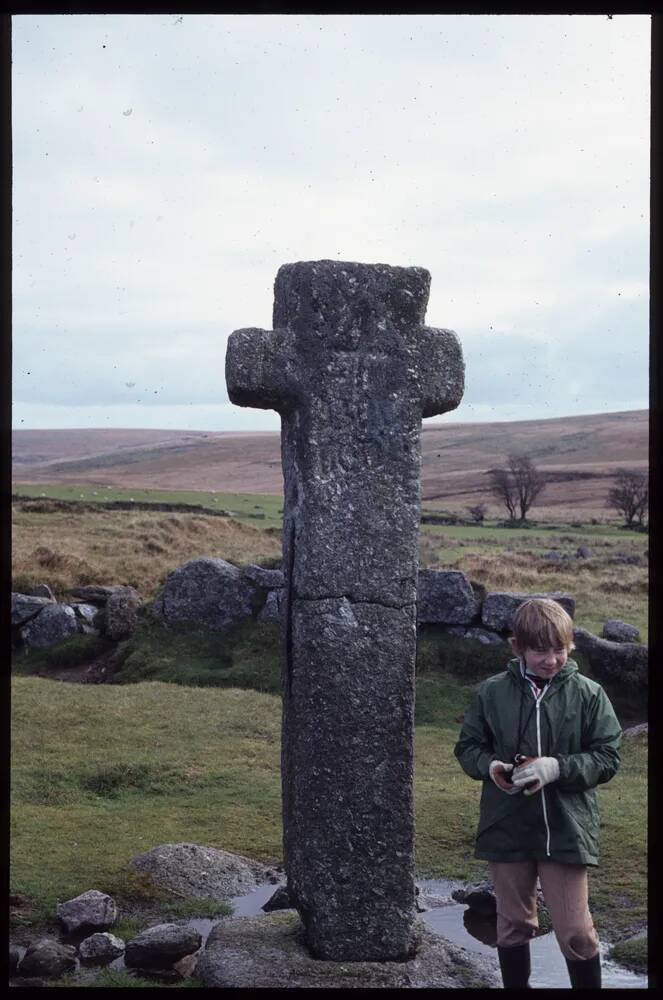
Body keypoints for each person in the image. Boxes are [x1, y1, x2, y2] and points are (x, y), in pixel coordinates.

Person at [454, 598, 622, 990]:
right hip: (505, 825)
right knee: (512, 925)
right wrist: (491, 767)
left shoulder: (589, 694)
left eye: (559, 649)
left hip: (565, 828)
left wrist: (557, 768)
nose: (551, 659)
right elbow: (468, 749)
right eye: (540, 650)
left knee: (577, 932)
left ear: (571, 646)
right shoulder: (491, 693)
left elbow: (608, 757)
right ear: (518, 647)